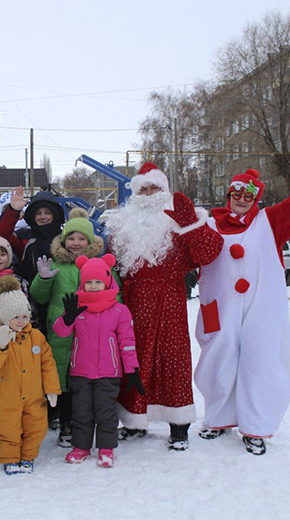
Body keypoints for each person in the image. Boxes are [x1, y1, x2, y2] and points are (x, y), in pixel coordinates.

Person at [194, 142, 290, 456]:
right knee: (218, 362)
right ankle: (217, 419)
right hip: (220, 309)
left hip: (262, 309)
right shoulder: (210, 225)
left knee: (260, 364)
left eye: (249, 196)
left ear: (255, 198)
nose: (242, 201)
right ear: (229, 195)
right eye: (237, 195)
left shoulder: (270, 222)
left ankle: (255, 427)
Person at [104, 162, 224, 451]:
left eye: (154, 187)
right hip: (131, 301)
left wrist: (192, 225)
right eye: (142, 189)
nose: (148, 193)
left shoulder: (182, 219)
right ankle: (134, 421)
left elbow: (210, 252)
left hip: (169, 299)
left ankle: (178, 425)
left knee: (173, 359)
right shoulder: (121, 224)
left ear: (165, 189)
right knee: (133, 359)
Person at [30, 207, 112, 447]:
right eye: (72, 238)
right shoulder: (56, 263)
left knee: (85, 381)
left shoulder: (98, 264)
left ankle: (84, 424)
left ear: (89, 241)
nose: (76, 243)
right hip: (61, 331)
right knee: (63, 379)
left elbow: (114, 295)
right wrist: (43, 279)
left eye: (81, 238)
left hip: (92, 333)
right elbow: (39, 297)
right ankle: (66, 424)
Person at [52, 254, 142, 468]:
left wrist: (132, 370)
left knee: (106, 411)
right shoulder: (77, 308)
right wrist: (68, 318)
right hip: (81, 371)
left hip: (109, 373)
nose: (93, 287)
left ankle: (106, 448)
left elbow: (127, 342)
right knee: (81, 411)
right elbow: (61, 332)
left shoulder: (120, 311)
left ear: (107, 281)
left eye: (98, 282)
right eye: (88, 282)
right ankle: (81, 447)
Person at [0, 275, 60, 475]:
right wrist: (1, 344)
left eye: (24, 316)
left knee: (36, 428)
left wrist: (51, 389)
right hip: (7, 396)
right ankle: (10, 459)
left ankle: (28, 456)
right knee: (8, 429)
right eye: (15, 317)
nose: (20, 321)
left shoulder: (36, 337)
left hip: (34, 396)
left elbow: (48, 364)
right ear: (6, 317)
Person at [0, 186, 66, 286]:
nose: (43, 217)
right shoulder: (24, 237)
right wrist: (13, 211)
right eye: (38, 213)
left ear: (55, 215)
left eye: (47, 213)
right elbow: (0, 238)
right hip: (27, 294)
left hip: (59, 295)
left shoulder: (65, 238)